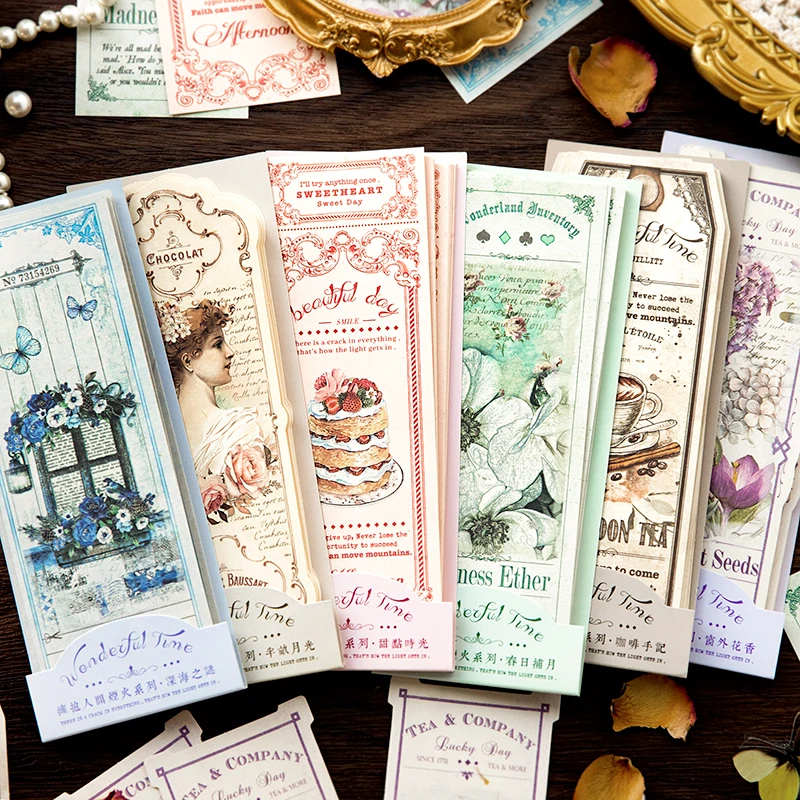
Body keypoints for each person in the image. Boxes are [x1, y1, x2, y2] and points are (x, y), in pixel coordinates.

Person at [157, 299, 275, 520]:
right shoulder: (243, 426)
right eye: (218, 344)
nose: (230, 352)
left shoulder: (239, 425)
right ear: (188, 361)